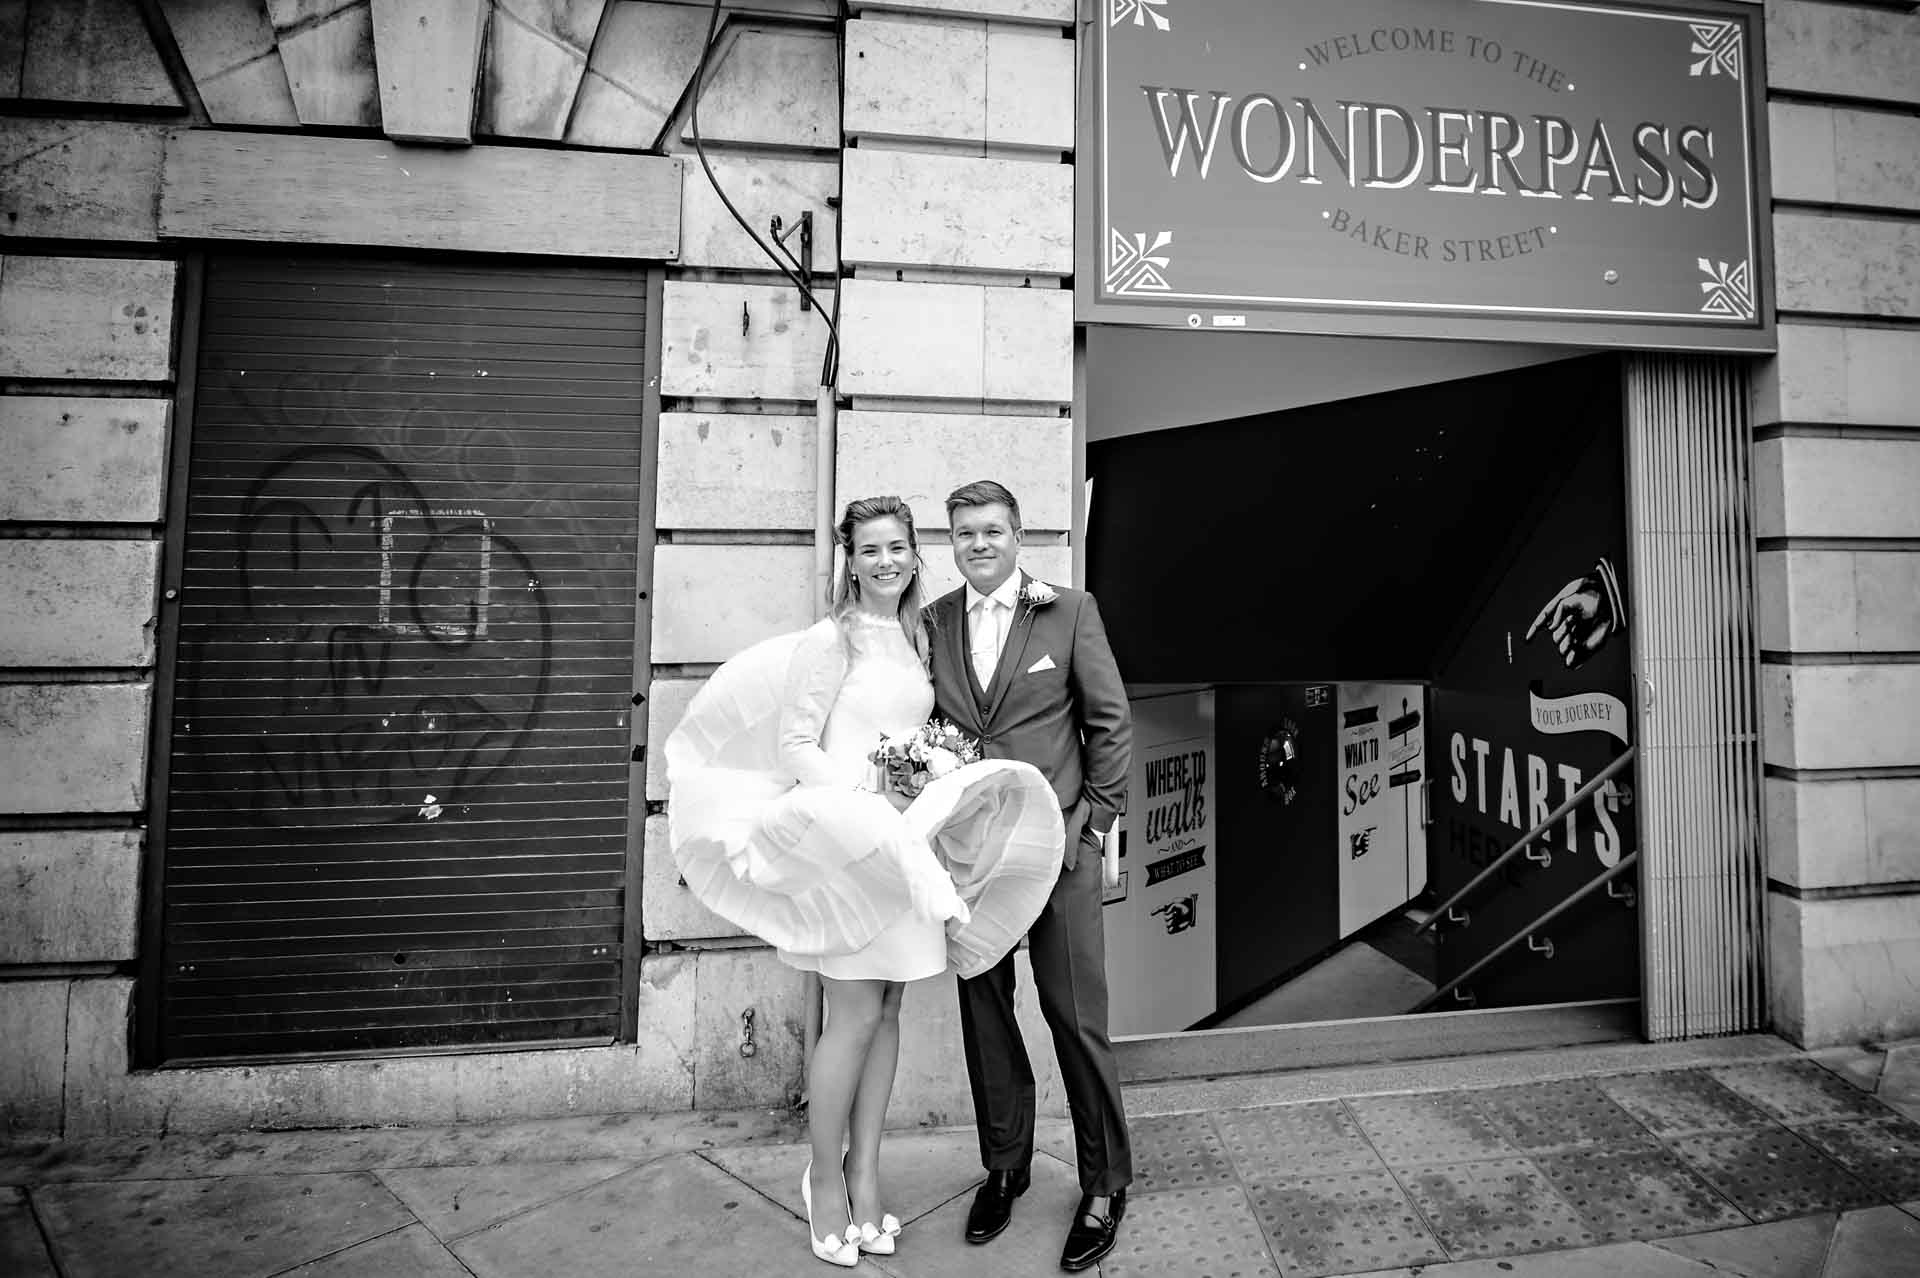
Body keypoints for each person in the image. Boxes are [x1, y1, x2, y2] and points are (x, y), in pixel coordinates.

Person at [665, 496, 1063, 1268]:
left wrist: (924, 776)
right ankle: (822, 1178)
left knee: (889, 1012)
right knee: (851, 1015)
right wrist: (867, 790)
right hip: (853, 846)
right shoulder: (830, 639)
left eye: (897, 548)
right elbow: (794, 744)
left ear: (917, 555)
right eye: (870, 550)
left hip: (905, 850)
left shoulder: (920, 636)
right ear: (852, 561)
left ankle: (865, 1176)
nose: (885, 561)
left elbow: (922, 733)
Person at [927, 480, 1135, 1273]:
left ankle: (1105, 1183)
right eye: (964, 534)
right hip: (973, 859)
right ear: (952, 543)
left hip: (1059, 853)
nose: (978, 544)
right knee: (984, 1012)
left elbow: (1110, 722)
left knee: (1075, 1016)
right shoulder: (935, 620)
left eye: (991, 531)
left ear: (1018, 535)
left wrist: (1098, 823)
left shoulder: (1068, 612)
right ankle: (1005, 1166)